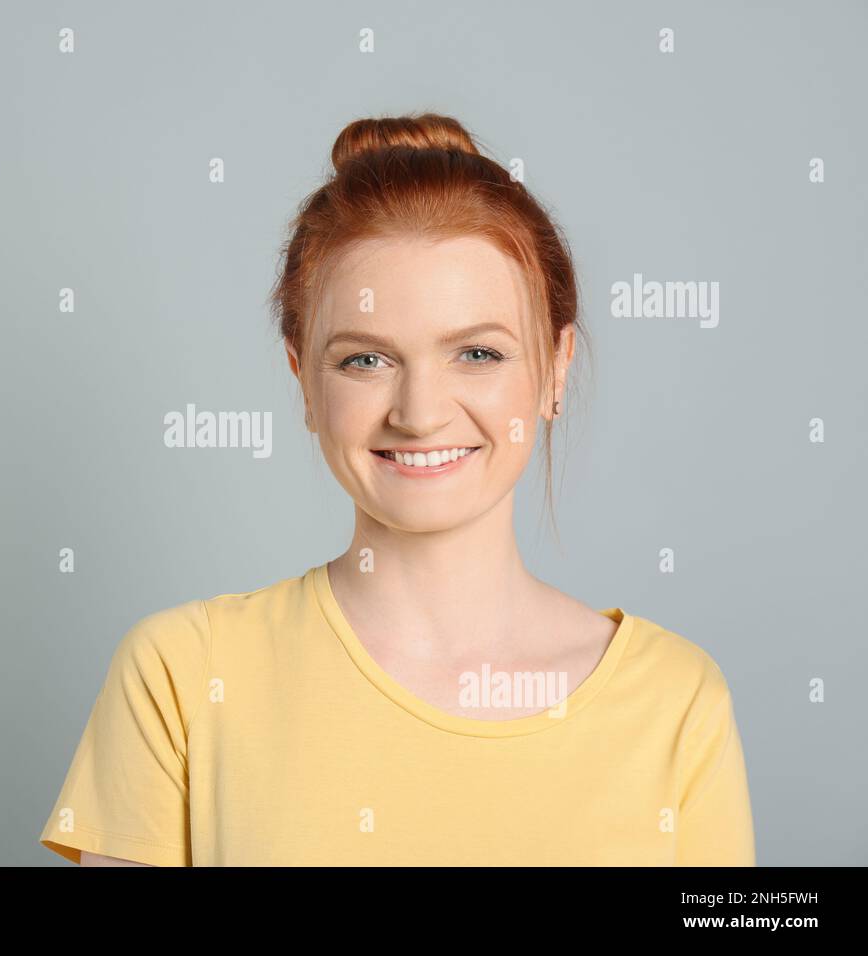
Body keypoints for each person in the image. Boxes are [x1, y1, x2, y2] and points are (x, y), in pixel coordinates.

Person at [38, 112, 756, 866]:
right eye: (365, 361)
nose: (419, 413)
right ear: (302, 378)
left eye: (478, 353)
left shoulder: (677, 702)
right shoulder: (182, 676)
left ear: (556, 367)